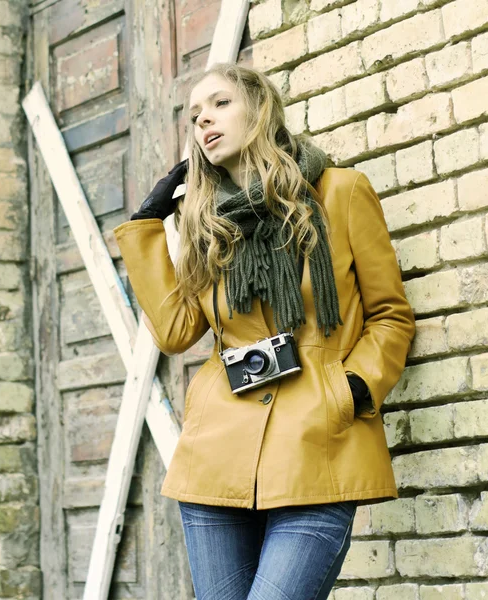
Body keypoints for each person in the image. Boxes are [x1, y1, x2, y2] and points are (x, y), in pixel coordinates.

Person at [113, 63, 415, 600]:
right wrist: (147, 226)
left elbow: (391, 315)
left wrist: (351, 391)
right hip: (217, 461)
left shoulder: (340, 193)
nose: (203, 118)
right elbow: (177, 331)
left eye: (220, 103)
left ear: (258, 109)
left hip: (318, 448)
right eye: (194, 114)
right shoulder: (206, 223)